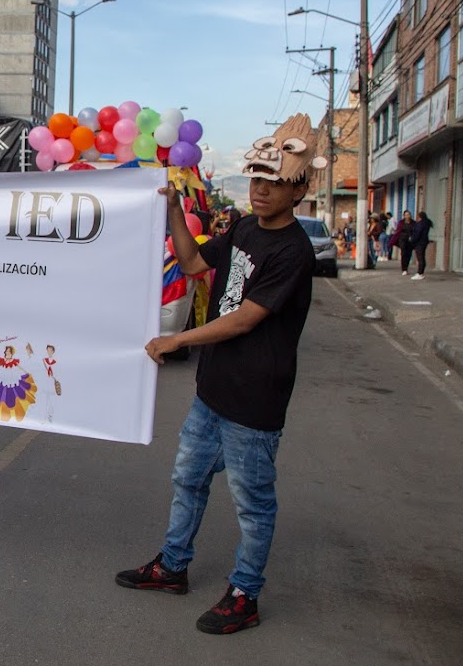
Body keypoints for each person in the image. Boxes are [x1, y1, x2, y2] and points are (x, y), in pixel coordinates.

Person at [117, 113, 323, 635]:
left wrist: (177, 340)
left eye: (274, 183)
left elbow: (245, 319)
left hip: (254, 402)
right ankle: (172, 567)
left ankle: (245, 594)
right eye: (256, 179)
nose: (260, 190)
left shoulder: (294, 251)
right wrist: (173, 211)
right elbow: (191, 264)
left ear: (299, 190)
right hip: (212, 392)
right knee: (187, 479)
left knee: (253, 505)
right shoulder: (245, 228)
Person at [408, 211, 432, 280]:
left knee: (420, 257)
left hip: (419, 243)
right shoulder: (427, 223)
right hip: (424, 242)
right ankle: (420, 272)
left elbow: (417, 233)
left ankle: (420, 273)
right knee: (421, 257)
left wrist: (412, 239)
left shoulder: (420, 224)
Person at [393, 210, 413, 275]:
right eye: (406, 215)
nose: (407, 216)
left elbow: (415, 231)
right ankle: (404, 269)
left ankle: (406, 266)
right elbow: (397, 231)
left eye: (408, 215)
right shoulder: (401, 223)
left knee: (409, 254)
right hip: (402, 240)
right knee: (403, 253)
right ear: (404, 216)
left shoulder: (413, 223)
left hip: (410, 240)